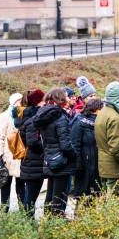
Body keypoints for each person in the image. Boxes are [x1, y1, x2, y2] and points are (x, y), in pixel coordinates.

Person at [33, 88, 77, 216]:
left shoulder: (45, 115)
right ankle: (55, 226)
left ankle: (47, 222)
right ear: (60, 99)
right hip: (61, 162)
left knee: (50, 196)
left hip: (50, 158)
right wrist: (74, 156)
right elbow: (65, 145)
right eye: (66, 96)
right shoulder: (60, 117)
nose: (69, 98)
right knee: (59, 197)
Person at [0, 92, 25, 212]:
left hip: (20, 154)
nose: (22, 102)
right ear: (14, 102)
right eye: (20, 100)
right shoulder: (4, 116)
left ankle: (23, 210)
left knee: (21, 185)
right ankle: (4, 209)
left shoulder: (24, 115)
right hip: (8, 155)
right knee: (5, 184)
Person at [15, 89, 45, 218]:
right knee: (31, 196)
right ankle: (28, 221)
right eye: (43, 100)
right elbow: (33, 142)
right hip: (33, 162)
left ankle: (27, 220)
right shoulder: (33, 121)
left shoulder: (30, 118)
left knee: (31, 195)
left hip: (32, 162)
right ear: (37, 102)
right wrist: (45, 146)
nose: (45, 103)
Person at [70, 98, 102, 200]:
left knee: (96, 196)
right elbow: (75, 145)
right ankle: (80, 215)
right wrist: (78, 166)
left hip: (96, 166)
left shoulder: (99, 123)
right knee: (83, 197)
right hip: (83, 166)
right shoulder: (79, 122)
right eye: (102, 109)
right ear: (96, 109)